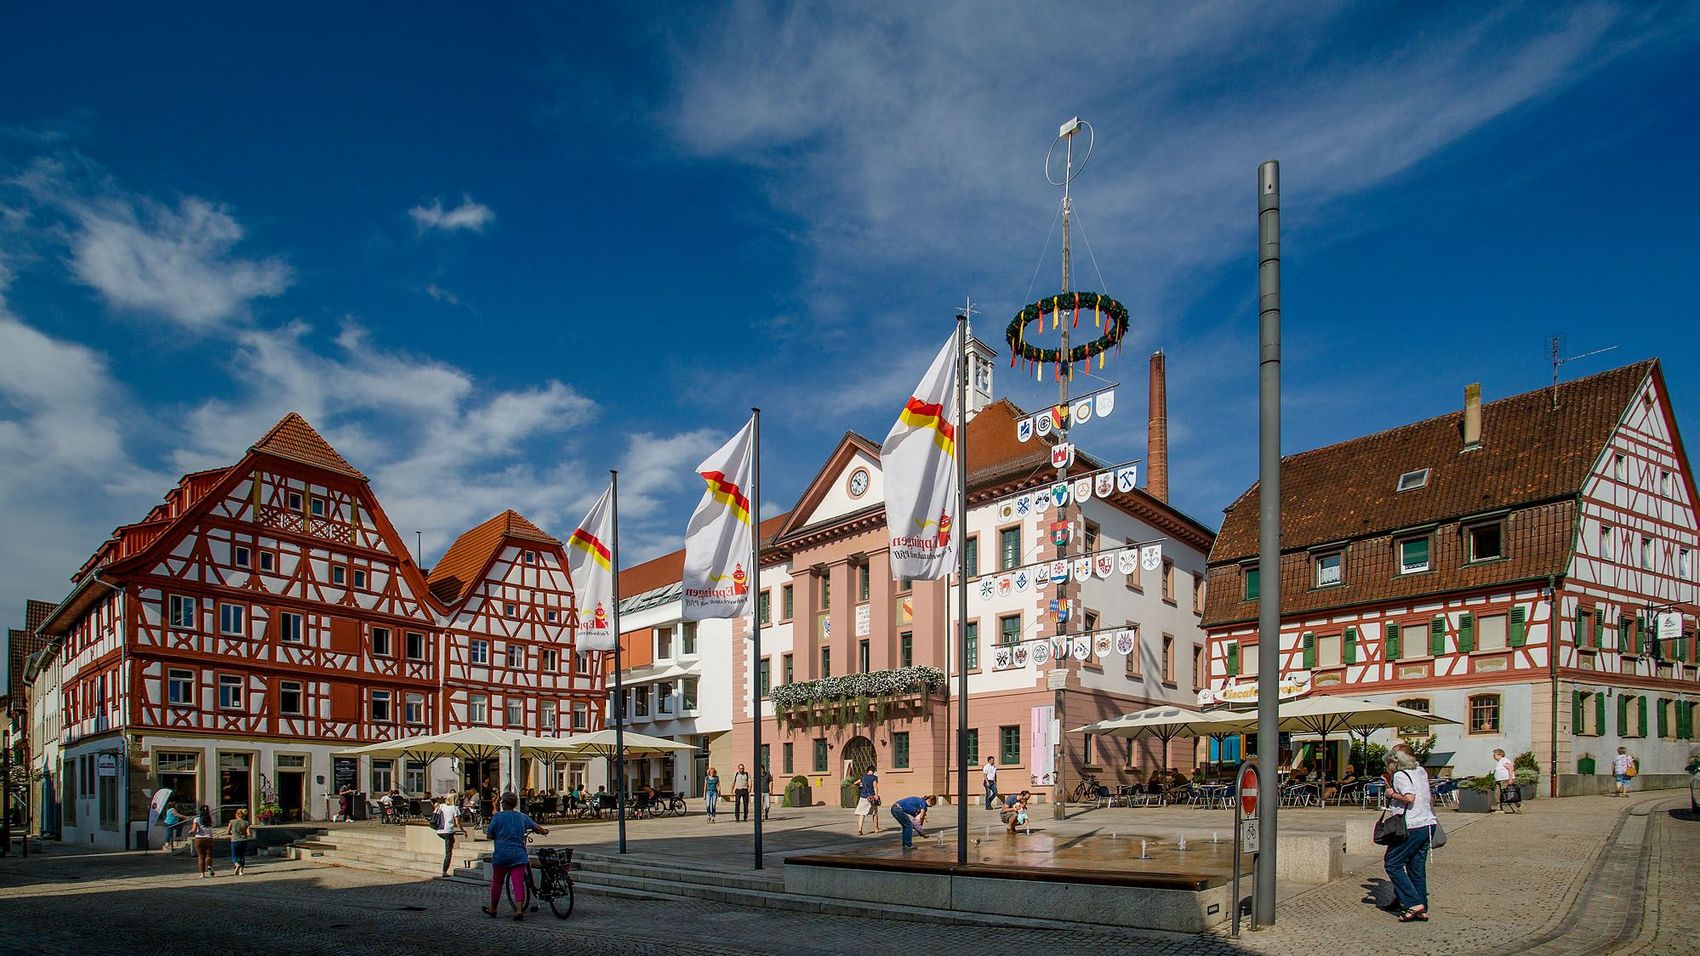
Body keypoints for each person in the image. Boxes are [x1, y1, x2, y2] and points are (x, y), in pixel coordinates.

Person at [1380, 744, 1436, 922]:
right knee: (1416, 868)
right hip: (1427, 822)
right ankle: (1421, 907)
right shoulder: (1421, 771)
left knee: (1392, 863)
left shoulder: (1400, 775)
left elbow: (1409, 797)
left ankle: (1412, 903)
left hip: (1410, 825)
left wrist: (1391, 793)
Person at [482, 793, 548, 921]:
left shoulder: (497, 817)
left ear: (504, 804)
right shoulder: (522, 817)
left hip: (501, 854)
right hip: (518, 854)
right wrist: (544, 831)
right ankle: (519, 909)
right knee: (518, 882)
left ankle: (493, 908)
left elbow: (489, 835)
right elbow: (537, 827)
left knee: (497, 882)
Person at [433, 794, 466, 877]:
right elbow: (458, 823)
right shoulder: (455, 808)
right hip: (448, 831)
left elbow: (435, 806)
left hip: (440, 831)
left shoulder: (441, 806)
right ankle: (444, 870)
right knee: (448, 851)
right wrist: (463, 831)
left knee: (449, 846)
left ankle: (445, 869)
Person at [225, 807, 254, 876]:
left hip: (235, 840)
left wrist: (232, 833)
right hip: (244, 840)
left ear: (236, 814)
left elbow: (227, 832)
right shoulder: (246, 822)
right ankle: (241, 871)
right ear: (244, 815)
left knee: (234, 856)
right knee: (242, 856)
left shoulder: (232, 821)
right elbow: (249, 833)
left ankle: (236, 864)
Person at [190, 805, 217, 877]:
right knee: (209, 855)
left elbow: (194, 829)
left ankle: (202, 873)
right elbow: (213, 826)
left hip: (199, 838)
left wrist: (191, 831)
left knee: (201, 856)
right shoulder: (210, 818)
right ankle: (209, 866)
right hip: (208, 838)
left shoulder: (196, 819)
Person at [855, 765, 881, 835]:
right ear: (873, 771)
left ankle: (860, 829)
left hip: (863, 797)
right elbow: (875, 786)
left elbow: (855, 783)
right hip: (872, 798)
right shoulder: (874, 778)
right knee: (874, 813)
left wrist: (860, 786)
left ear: (867, 771)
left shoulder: (863, 777)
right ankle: (876, 829)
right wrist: (876, 795)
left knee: (861, 814)